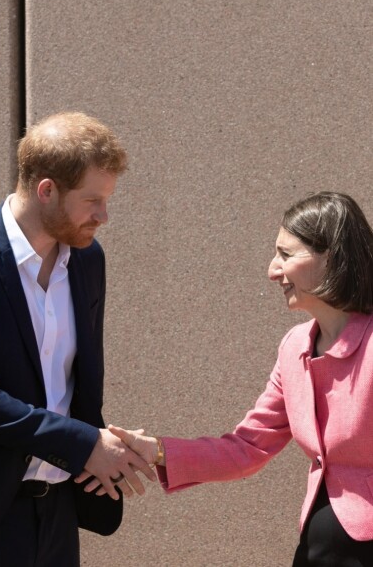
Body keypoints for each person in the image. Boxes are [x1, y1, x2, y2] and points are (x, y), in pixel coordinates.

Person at [0, 111, 156, 567]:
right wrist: (82, 443)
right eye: (92, 201)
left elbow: (78, 384)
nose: (104, 216)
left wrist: (104, 444)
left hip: (61, 512)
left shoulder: (89, 261)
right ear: (46, 190)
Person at [92, 191, 373, 566]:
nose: (273, 270)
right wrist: (157, 449)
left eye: (286, 255)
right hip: (319, 551)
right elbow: (246, 448)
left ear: (332, 258)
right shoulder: (295, 348)